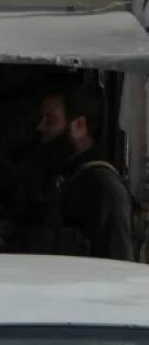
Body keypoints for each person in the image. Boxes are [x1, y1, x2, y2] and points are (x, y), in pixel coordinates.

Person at [33, 84, 134, 260]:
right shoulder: (63, 176)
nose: (41, 127)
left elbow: (116, 262)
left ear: (79, 124)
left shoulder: (103, 185)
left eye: (50, 119)